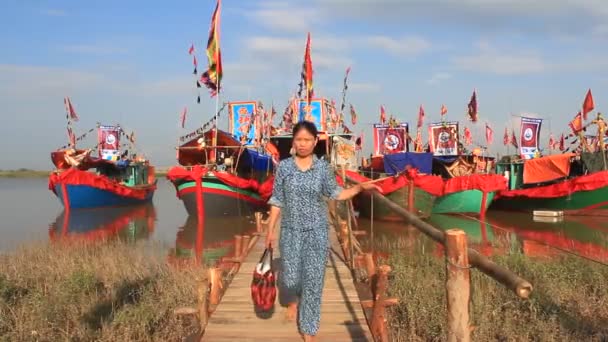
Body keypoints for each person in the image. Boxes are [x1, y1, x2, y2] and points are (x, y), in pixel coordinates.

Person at [265, 121, 380, 341]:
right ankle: (294, 300)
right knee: (290, 278)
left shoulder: (322, 168)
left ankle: (309, 330)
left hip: (317, 232)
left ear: (315, 141)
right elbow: (277, 200)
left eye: (307, 139)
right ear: (293, 141)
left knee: (313, 281)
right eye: (299, 139)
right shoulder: (285, 167)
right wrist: (270, 229)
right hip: (290, 231)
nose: (303, 144)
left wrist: (358, 188)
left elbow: (336, 193)